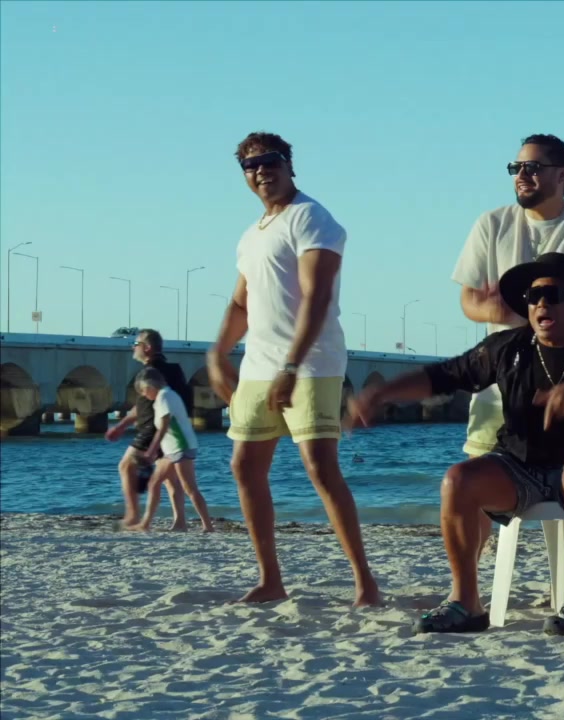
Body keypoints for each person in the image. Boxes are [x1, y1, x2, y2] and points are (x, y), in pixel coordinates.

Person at [348, 253, 564, 635]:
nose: (541, 304)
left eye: (553, 295)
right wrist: (382, 393)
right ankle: (466, 602)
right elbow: (443, 376)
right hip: (522, 464)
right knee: (458, 481)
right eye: (533, 297)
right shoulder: (509, 347)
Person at [207, 131, 379, 607]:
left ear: (289, 164)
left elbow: (317, 297)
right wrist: (218, 353)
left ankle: (365, 582)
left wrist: (291, 364)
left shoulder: (312, 218)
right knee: (244, 466)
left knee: (320, 467)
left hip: (312, 362)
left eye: (270, 160)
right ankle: (270, 580)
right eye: (250, 165)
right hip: (258, 364)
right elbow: (240, 303)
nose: (261, 170)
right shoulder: (252, 234)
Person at [452, 133, 564, 559]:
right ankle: (468, 585)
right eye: (516, 167)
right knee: (472, 475)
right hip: (500, 381)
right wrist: (505, 311)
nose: (521, 175)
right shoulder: (492, 223)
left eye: (533, 167)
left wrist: (512, 308)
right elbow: (469, 300)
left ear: (562, 175)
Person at [105, 329, 192, 530]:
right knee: (169, 478)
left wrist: (121, 426)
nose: (133, 348)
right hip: (173, 430)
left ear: (147, 347)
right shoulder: (174, 371)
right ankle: (180, 521)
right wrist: (122, 425)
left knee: (126, 466)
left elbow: (143, 407)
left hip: (152, 430)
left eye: (136, 344)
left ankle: (133, 515)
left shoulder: (150, 373)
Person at [128, 368, 215, 533]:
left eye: (143, 390)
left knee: (190, 488)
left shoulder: (164, 397)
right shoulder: (167, 395)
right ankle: (166, 524)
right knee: (155, 482)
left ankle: (208, 526)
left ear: (150, 386)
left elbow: (164, 426)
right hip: (173, 449)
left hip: (181, 447)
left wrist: (151, 451)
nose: (143, 395)